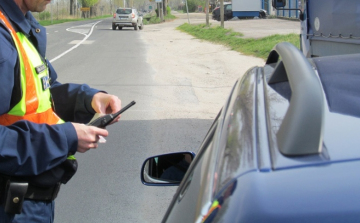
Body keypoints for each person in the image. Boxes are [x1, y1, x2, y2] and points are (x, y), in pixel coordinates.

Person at [0, 0, 122, 222]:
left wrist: (89, 99)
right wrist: (64, 138)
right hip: (11, 208)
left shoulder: (19, 27)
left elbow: (43, 91)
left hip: (30, 203)